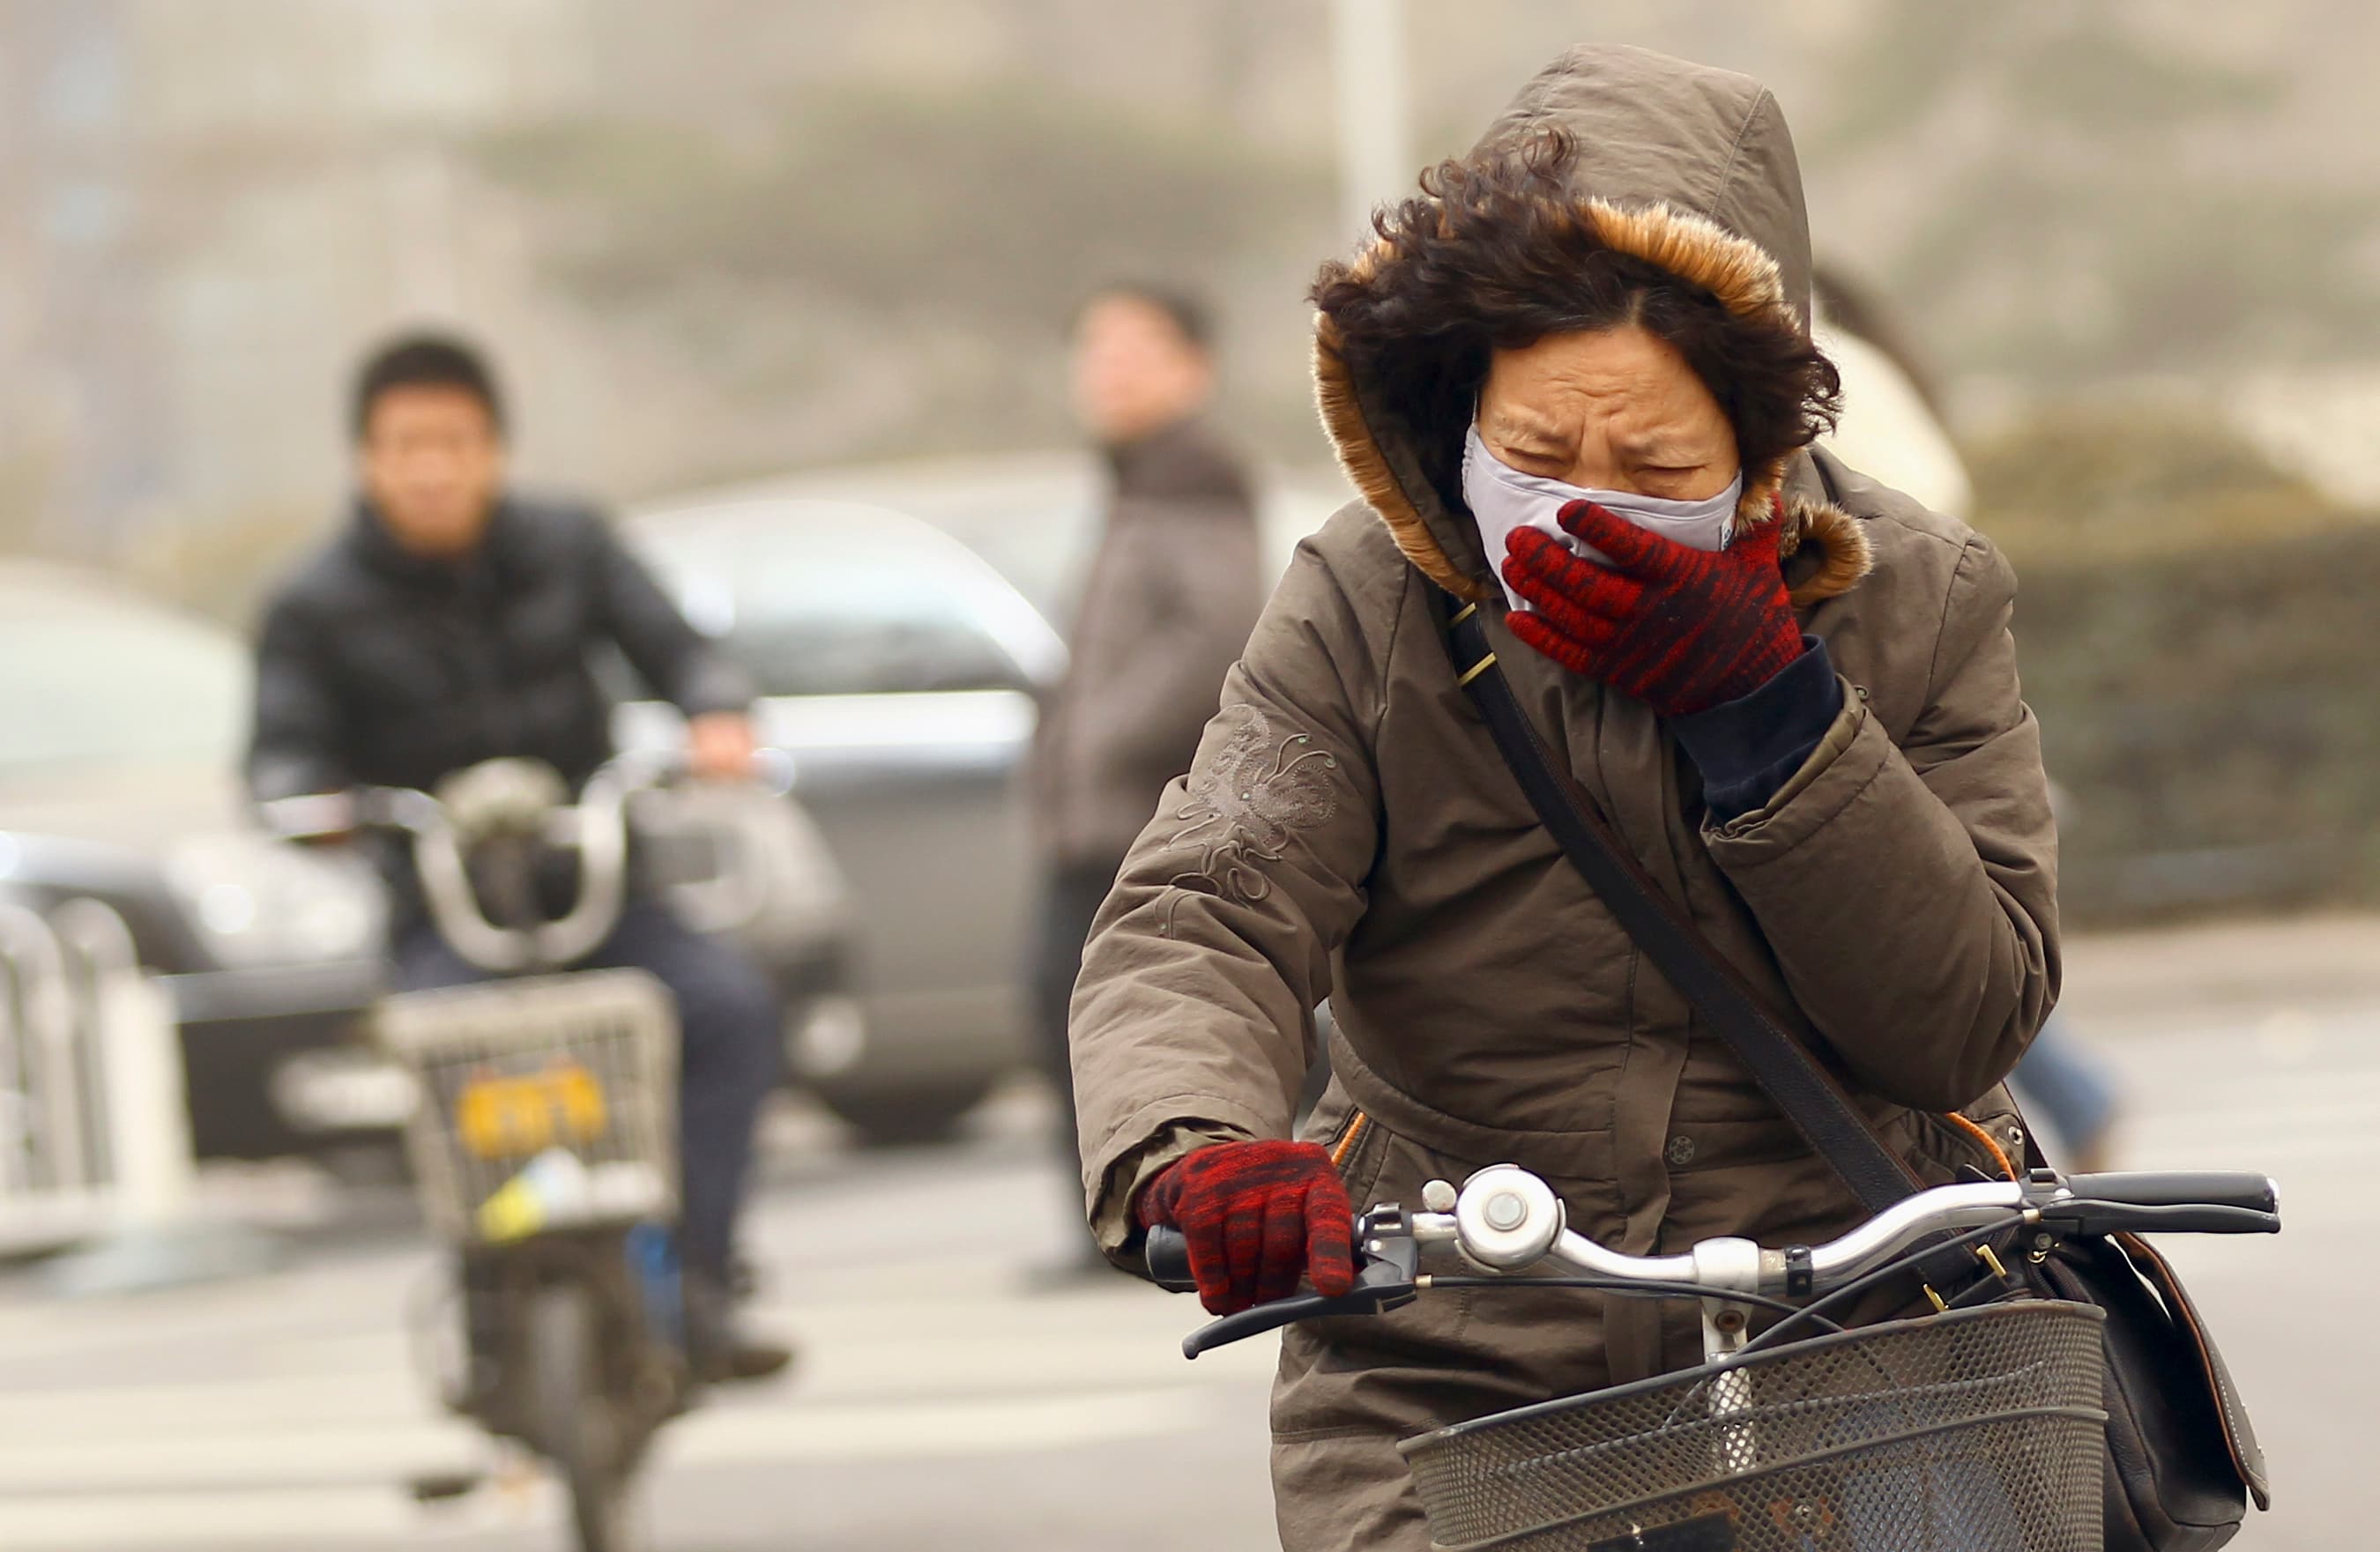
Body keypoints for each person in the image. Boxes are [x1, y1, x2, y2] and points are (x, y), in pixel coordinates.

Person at [1067, 44, 2058, 1551]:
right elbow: (1207, 902)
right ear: (1457, 406)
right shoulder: (1364, 601)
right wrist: (1195, 1146)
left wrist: (1777, 716)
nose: (1584, 497)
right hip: (1456, 1344)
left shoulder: (1922, 597)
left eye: (1654, 461)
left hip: (1858, 1327)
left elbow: (1965, 1018)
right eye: (1533, 451)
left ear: (1761, 445)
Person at [245, 332, 790, 1381]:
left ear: (494, 449)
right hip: (443, 916)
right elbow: (281, 750)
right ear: (367, 459)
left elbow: (682, 653)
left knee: (725, 1011)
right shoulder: (310, 603)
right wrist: (306, 801)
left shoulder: (572, 545)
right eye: (407, 446)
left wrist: (716, 713)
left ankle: (702, 1281)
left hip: (598, 891)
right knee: (443, 1055)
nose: (433, 469)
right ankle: (492, 1316)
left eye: (454, 442)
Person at [1024, 286, 1266, 1274]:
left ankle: (1156, 1226)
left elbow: (1215, 630)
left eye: (1137, 349)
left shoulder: (1195, 479)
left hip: (1145, 810)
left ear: (1192, 369)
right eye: (1097, 347)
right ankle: (1126, 1227)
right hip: (1096, 813)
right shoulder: (1134, 480)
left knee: (1118, 1012)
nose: (1109, 369)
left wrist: (1106, 742)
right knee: (1074, 1007)